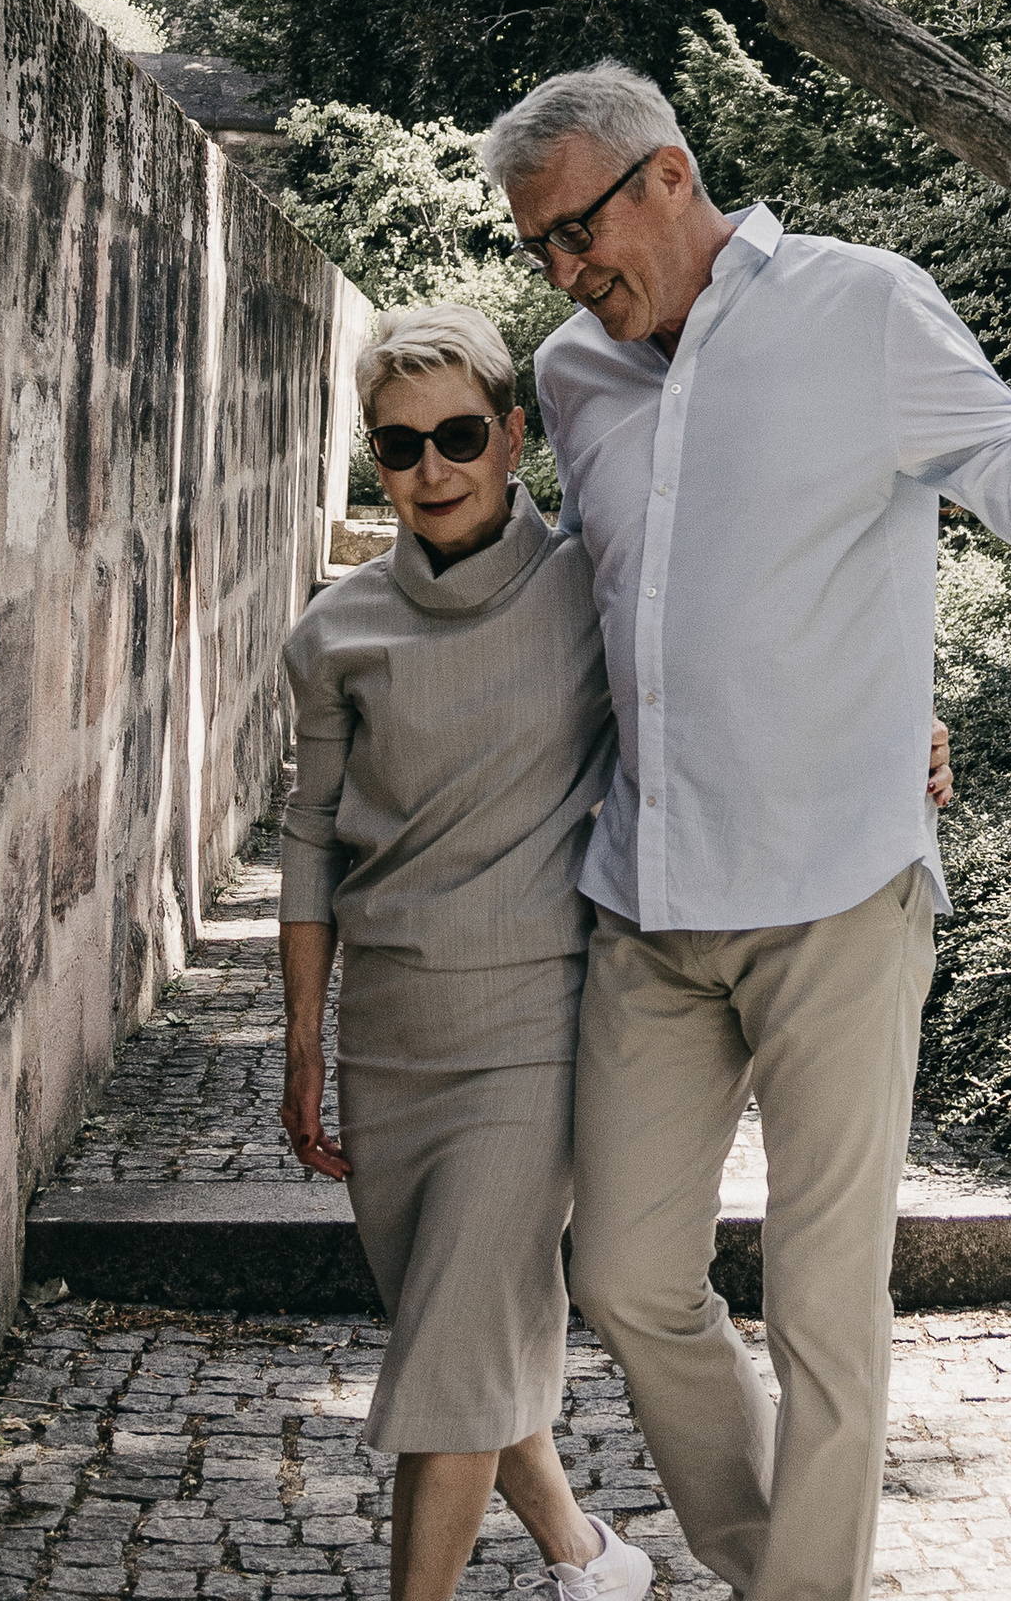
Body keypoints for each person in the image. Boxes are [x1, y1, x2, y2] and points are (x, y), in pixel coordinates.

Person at [483, 61, 1011, 1601]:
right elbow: (600, 627)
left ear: (670, 176)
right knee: (631, 1274)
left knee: (826, 1309)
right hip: (647, 897)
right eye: (538, 251)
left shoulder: (864, 307)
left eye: (577, 233)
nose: (568, 273)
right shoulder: (575, 376)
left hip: (840, 895)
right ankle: (770, 1565)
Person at [275, 304, 651, 1601]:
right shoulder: (338, 635)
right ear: (373, 461)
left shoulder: (592, 587)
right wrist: (303, 1041)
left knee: (443, 1367)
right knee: (462, 1343)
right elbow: (311, 842)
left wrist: (900, 745)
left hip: (528, 1038)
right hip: (388, 1045)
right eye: (398, 446)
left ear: (513, 435)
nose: (431, 469)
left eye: (458, 435)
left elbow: (734, 676)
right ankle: (589, 1557)